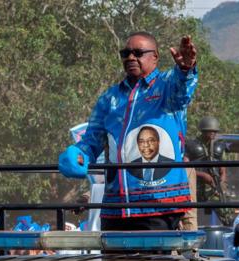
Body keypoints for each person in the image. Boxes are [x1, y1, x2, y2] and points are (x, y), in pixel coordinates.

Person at [59, 31, 197, 230]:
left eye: (138, 52)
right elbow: (92, 140)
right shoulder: (110, 97)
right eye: (126, 53)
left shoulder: (167, 86)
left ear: (155, 57)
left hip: (158, 205)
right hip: (115, 206)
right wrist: (78, 154)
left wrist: (185, 69)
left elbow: (182, 91)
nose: (131, 57)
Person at [185, 116, 235, 226]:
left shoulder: (219, 146)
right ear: (203, 131)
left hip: (214, 188)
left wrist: (222, 182)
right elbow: (185, 167)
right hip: (195, 187)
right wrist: (202, 175)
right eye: (210, 131)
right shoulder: (191, 145)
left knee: (227, 214)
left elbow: (223, 167)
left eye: (215, 131)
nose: (213, 133)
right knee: (189, 215)